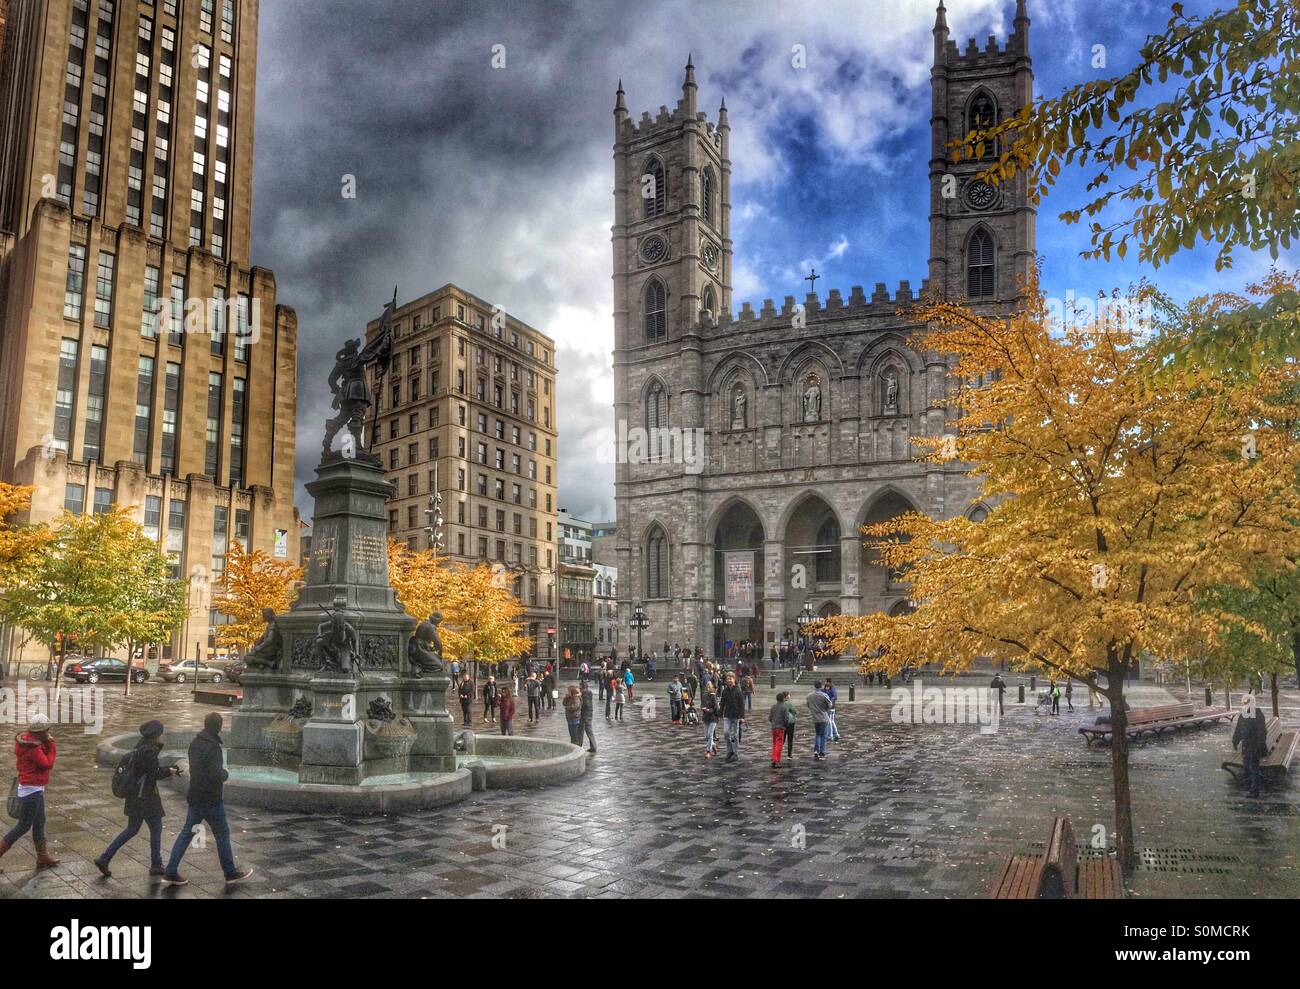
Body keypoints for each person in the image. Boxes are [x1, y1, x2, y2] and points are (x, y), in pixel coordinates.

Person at [163, 712, 253, 886]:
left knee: (186, 833)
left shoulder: (196, 743)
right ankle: (230, 872)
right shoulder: (213, 747)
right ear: (218, 727)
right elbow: (214, 775)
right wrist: (224, 774)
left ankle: (171, 870)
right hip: (211, 799)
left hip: (195, 795)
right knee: (222, 833)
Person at [95, 720, 181, 878]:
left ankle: (105, 858)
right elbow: (153, 774)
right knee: (154, 828)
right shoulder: (149, 752)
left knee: (133, 829)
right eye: (162, 733)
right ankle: (155, 864)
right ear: (156, 735)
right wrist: (169, 771)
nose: (163, 736)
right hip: (146, 798)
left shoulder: (140, 747)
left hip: (135, 796)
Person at [0, 713, 59, 871]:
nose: (49, 732)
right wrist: (52, 747)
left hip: (34, 788)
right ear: (41, 731)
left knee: (40, 821)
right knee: (24, 825)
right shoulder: (33, 747)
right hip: (30, 790)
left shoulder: (28, 741)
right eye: (47, 730)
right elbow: (47, 764)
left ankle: (42, 857)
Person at [1232, 697, 1269, 798]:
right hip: (1247, 746)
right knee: (1248, 766)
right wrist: (1235, 740)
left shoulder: (1258, 715)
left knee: (1253, 767)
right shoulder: (1244, 714)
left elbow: (1262, 733)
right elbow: (1239, 729)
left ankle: (1254, 790)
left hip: (1254, 747)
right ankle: (1251, 786)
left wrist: (1258, 746)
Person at [719, 673, 746, 763]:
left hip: (736, 716)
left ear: (734, 679)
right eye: (728, 679)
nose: (729, 680)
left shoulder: (738, 691)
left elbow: (742, 705)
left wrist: (742, 716)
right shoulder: (725, 691)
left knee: (735, 735)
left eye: (731, 678)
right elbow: (722, 703)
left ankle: (735, 753)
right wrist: (720, 714)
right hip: (727, 715)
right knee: (726, 733)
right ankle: (729, 750)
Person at [807, 684, 831, 761]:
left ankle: (816, 750)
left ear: (814, 686)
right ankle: (822, 751)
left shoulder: (809, 695)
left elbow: (808, 705)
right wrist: (825, 709)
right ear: (821, 687)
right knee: (823, 735)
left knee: (818, 734)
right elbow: (830, 705)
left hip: (815, 717)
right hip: (823, 717)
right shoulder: (824, 695)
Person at [768, 694, 789, 768]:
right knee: (779, 744)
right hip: (781, 727)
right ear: (783, 699)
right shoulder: (784, 708)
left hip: (774, 727)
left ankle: (773, 758)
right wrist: (785, 725)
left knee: (774, 743)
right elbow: (786, 719)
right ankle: (776, 760)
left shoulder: (773, 707)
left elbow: (770, 718)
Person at [701, 682, 719, 757]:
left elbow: (716, 707)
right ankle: (713, 744)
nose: (708, 688)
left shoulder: (713, 696)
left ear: (712, 688)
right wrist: (703, 708)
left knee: (710, 734)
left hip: (713, 717)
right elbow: (702, 704)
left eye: (709, 687)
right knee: (706, 736)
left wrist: (709, 710)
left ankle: (708, 751)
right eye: (707, 687)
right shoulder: (704, 695)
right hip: (706, 717)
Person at [579, 681, 597, 753]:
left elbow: (585, 704)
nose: (579, 688)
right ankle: (592, 746)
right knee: (585, 730)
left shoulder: (584, 694)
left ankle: (593, 747)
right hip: (589, 713)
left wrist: (580, 707)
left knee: (585, 730)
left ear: (582, 687)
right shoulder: (589, 693)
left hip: (585, 714)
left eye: (580, 686)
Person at [783, 691, 798, 759]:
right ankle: (789, 754)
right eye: (789, 695)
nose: (790, 696)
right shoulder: (789, 703)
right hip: (790, 722)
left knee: (782, 739)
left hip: (782, 723)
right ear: (787, 696)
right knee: (790, 739)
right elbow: (794, 711)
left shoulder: (781, 703)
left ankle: (778, 752)